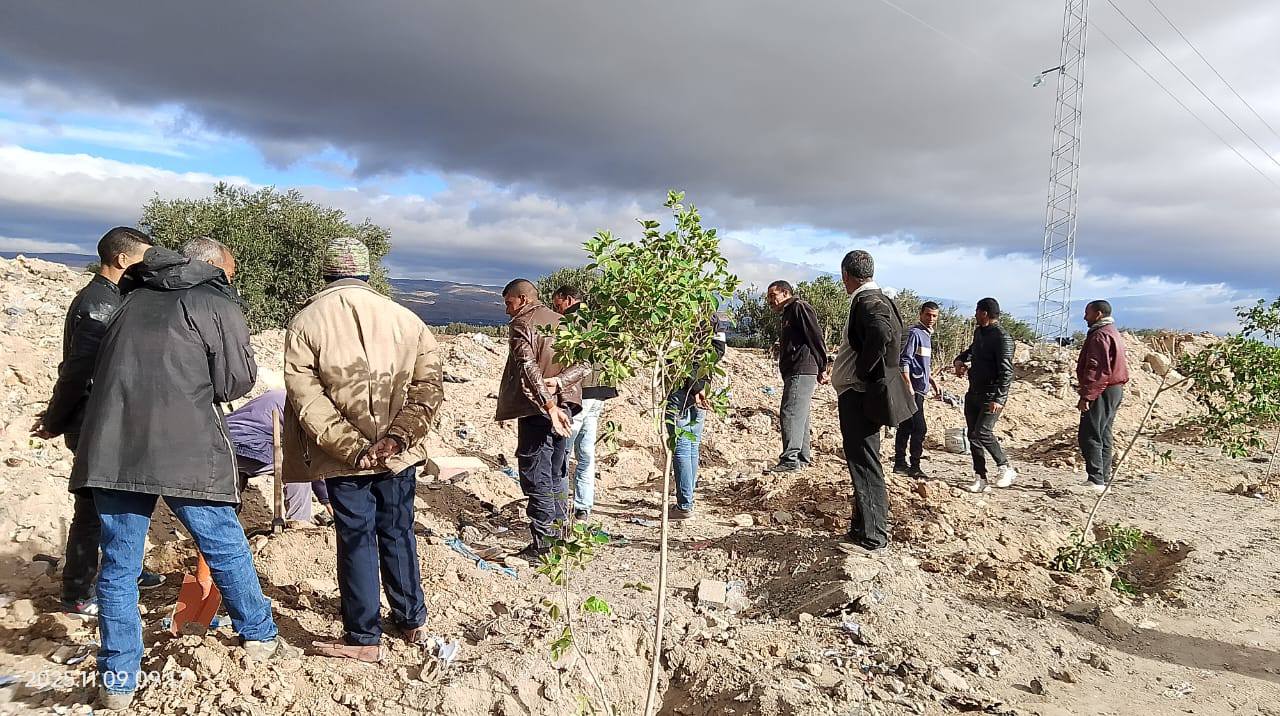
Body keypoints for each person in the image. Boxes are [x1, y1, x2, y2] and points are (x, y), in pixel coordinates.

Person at [69, 238, 295, 711]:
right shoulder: (214, 302)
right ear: (213, 268)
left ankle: (117, 678)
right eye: (229, 274)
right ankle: (258, 635)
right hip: (187, 448)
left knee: (119, 566)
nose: (230, 281)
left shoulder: (129, 298)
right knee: (223, 544)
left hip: (113, 450)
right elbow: (235, 381)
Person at [282, 237, 444, 662]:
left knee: (356, 539)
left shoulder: (306, 322)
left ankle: (363, 638)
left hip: (342, 460)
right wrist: (397, 439)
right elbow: (428, 389)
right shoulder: (407, 319)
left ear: (326, 272)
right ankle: (411, 620)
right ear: (367, 273)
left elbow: (306, 398)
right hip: (398, 458)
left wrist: (352, 448)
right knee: (398, 532)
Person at [29, 227, 164, 618]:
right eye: (145, 257)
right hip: (93, 421)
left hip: (108, 419)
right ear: (122, 260)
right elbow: (76, 372)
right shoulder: (97, 305)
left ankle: (128, 569)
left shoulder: (113, 298)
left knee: (125, 497)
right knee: (91, 507)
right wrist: (55, 420)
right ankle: (77, 592)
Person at [496, 279, 588, 558]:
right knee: (556, 472)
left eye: (508, 303)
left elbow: (527, 367)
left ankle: (544, 546)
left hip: (540, 410)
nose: (506, 310)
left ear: (522, 299)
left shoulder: (523, 324)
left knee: (537, 474)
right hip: (566, 407)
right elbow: (585, 363)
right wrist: (561, 383)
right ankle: (562, 537)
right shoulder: (564, 323)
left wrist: (548, 404)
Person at [830, 251, 915, 552]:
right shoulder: (879, 298)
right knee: (864, 461)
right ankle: (862, 528)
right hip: (863, 393)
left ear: (846, 276)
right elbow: (899, 335)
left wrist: (866, 371)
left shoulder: (868, 301)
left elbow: (882, 331)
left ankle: (874, 536)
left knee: (865, 463)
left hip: (859, 394)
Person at [550, 285, 618, 520]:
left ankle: (558, 508)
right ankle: (583, 507)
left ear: (568, 300)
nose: (556, 309)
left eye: (557, 304)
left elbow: (565, 359)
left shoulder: (570, 322)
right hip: (601, 392)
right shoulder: (601, 321)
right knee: (586, 453)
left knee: (563, 452)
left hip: (580, 393)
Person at [225, 389, 333, 524]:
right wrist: (326, 499)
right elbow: (309, 457)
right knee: (297, 471)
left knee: (234, 485)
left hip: (222, 442)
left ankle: (226, 526)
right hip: (244, 445)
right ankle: (299, 524)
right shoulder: (306, 407)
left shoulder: (286, 395)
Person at [666, 314, 729, 520]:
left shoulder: (681, 316)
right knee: (692, 445)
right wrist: (702, 386)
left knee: (683, 446)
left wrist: (695, 386)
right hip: (702, 388)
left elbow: (677, 357)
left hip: (682, 389)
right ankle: (687, 498)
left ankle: (684, 504)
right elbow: (718, 350)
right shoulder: (713, 317)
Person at [953, 297, 1017, 493]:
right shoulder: (980, 333)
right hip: (974, 391)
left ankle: (1005, 467)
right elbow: (973, 351)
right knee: (973, 436)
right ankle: (980, 477)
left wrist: (999, 398)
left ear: (985, 313)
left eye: (977, 311)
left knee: (983, 432)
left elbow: (1007, 372)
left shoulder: (1002, 338)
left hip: (991, 395)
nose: (974, 315)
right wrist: (960, 360)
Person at [764, 280, 828, 474]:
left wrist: (822, 366)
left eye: (772, 296)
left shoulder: (799, 307)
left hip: (802, 368)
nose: (770, 301)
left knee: (790, 411)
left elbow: (816, 336)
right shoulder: (788, 313)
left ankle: (790, 459)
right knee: (801, 414)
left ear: (785, 292)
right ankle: (802, 457)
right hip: (796, 369)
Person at [1076, 300, 1129, 493]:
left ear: (1098, 314)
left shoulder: (1100, 335)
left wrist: (1087, 396)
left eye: (1087, 313)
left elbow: (1097, 369)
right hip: (1114, 389)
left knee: (1089, 433)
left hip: (1103, 389)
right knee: (1103, 433)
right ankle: (1102, 478)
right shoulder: (1112, 332)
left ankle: (1096, 479)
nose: (1084, 317)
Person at [893, 302, 941, 479]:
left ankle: (900, 463)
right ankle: (913, 465)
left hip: (920, 388)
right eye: (928, 315)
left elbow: (920, 364)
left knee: (907, 425)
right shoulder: (915, 333)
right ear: (921, 314)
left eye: (934, 316)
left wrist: (933, 382)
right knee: (919, 428)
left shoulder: (927, 336)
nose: (931, 319)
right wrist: (909, 386)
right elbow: (904, 361)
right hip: (913, 390)